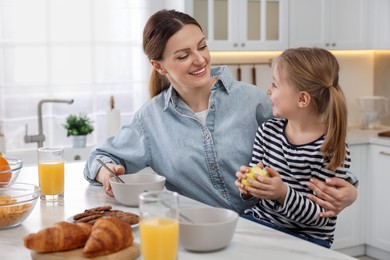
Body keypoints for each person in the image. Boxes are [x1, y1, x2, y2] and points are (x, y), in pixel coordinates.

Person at [83, 9, 356, 216]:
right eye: (183, 55)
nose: (200, 59)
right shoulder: (150, 120)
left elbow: (315, 150)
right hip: (199, 238)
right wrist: (107, 174)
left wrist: (350, 191)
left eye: (202, 46)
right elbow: (98, 158)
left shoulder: (254, 101)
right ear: (159, 66)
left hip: (267, 232)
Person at [235, 47, 351, 248]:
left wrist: (282, 193)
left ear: (302, 99)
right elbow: (254, 194)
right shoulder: (267, 131)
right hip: (260, 222)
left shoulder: (330, 149)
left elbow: (321, 217)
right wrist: (249, 187)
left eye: (275, 84)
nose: (268, 90)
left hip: (306, 238)